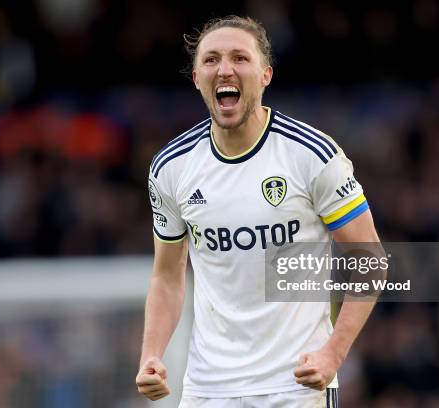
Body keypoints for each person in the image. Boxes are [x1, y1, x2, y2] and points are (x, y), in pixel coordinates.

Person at [136, 15, 381, 407]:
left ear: (266, 74)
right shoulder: (171, 168)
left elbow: (370, 259)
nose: (225, 69)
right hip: (209, 389)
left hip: (296, 387)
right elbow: (167, 276)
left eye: (240, 58)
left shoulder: (311, 155)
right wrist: (152, 354)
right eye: (212, 59)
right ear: (197, 77)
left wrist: (333, 354)